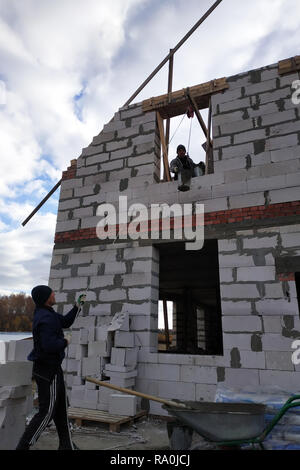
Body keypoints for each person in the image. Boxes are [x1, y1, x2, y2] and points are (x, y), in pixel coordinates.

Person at [16, 285, 86, 450]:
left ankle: (66, 445)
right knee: (46, 412)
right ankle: (22, 447)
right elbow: (49, 346)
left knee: (61, 409)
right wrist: (65, 341)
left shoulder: (48, 314)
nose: (54, 294)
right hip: (49, 371)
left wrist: (77, 306)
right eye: (52, 293)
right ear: (46, 298)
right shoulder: (46, 318)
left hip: (51, 369)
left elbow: (66, 321)